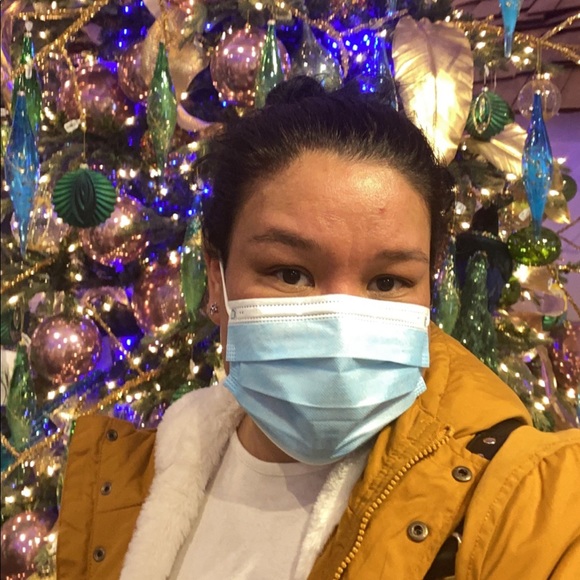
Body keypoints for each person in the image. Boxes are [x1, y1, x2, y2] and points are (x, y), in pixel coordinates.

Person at [56, 77, 580, 579]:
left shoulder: (524, 499)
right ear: (216, 277)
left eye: (388, 281)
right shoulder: (123, 486)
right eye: (290, 274)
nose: (341, 326)